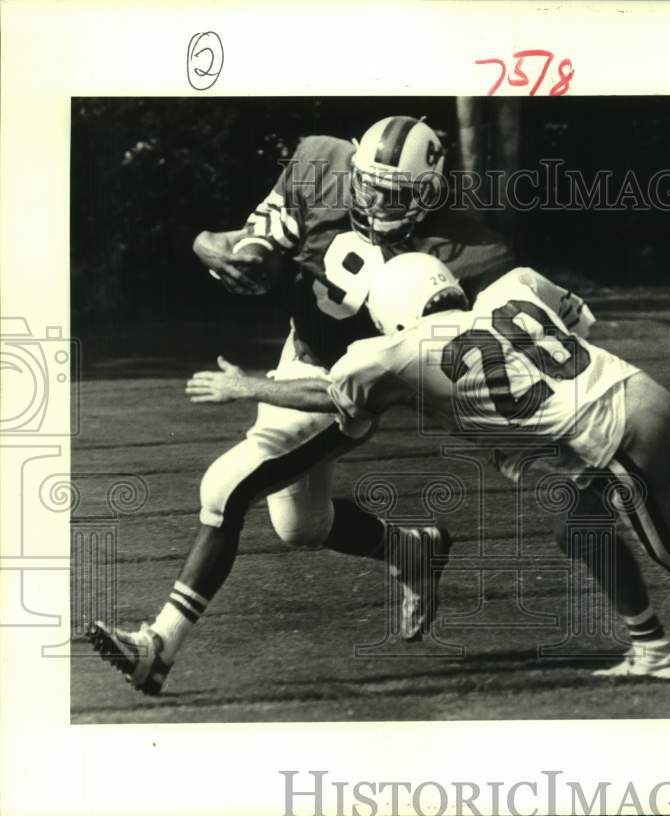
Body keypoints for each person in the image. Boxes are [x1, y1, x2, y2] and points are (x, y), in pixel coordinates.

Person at [184, 253, 670, 680]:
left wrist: (248, 385)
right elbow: (579, 319)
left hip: (612, 438)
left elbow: (329, 388)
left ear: (394, 312)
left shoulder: (396, 348)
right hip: (642, 394)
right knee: (576, 525)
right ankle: (650, 646)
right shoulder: (513, 283)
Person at [87, 116, 515, 695]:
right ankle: (413, 551)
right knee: (300, 525)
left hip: (353, 384)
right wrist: (229, 253)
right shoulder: (320, 161)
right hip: (300, 352)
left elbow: (435, 364)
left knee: (223, 488)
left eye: (396, 194)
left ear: (430, 194)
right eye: (369, 185)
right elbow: (263, 247)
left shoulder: (467, 252)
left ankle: (156, 647)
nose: (377, 202)